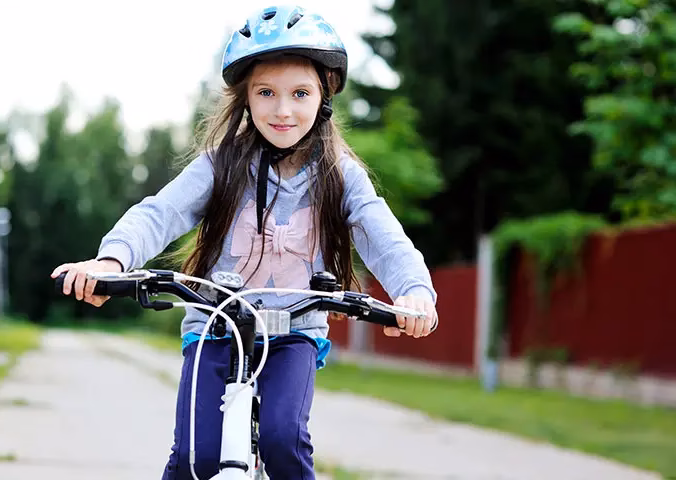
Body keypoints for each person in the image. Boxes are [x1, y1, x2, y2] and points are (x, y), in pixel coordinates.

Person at [51, 5, 438, 479]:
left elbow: (385, 236)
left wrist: (414, 290)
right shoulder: (221, 165)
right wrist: (111, 260)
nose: (283, 109)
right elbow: (161, 212)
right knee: (196, 457)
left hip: (295, 334)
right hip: (214, 326)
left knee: (283, 440)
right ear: (246, 99)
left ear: (324, 96)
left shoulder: (340, 175)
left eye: (300, 93)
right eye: (266, 93)